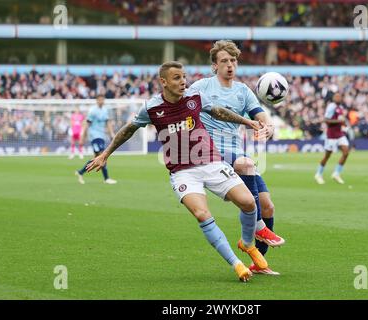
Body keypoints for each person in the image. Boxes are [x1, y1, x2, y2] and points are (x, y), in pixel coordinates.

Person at [85, 61, 269, 282]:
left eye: (184, 77)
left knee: (248, 203)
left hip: (211, 162)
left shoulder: (194, 96)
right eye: (177, 78)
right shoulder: (152, 108)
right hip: (183, 172)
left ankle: (247, 244)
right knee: (202, 214)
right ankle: (237, 264)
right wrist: (105, 154)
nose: (183, 81)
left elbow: (219, 112)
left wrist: (247, 122)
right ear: (163, 81)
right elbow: (128, 130)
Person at [190, 40, 285, 276]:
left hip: (236, 151)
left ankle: (258, 261)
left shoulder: (243, 91)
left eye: (233, 61)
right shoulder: (201, 86)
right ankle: (259, 228)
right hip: (209, 150)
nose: (230, 65)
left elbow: (261, 116)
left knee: (268, 205)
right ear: (214, 66)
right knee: (247, 163)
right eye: (224, 61)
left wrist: (269, 127)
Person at [75, 94, 117, 185]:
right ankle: (106, 178)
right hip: (94, 136)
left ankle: (80, 172)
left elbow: (108, 122)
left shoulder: (105, 110)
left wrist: (111, 134)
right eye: (100, 99)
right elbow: (87, 124)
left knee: (97, 157)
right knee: (102, 155)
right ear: (97, 100)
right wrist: (83, 137)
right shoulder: (92, 111)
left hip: (101, 136)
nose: (102, 101)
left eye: (103, 99)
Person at [314, 92, 350, 185]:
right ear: (333, 98)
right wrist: (339, 121)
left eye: (339, 96)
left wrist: (344, 124)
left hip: (340, 134)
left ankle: (336, 173)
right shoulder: (331, 107)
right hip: (331, 136)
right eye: (336, 96)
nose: (337, 98)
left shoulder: (341, 108)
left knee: (346, 152)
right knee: (327, 156)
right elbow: (326, 120)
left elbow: (341, 120)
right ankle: (318, 174)